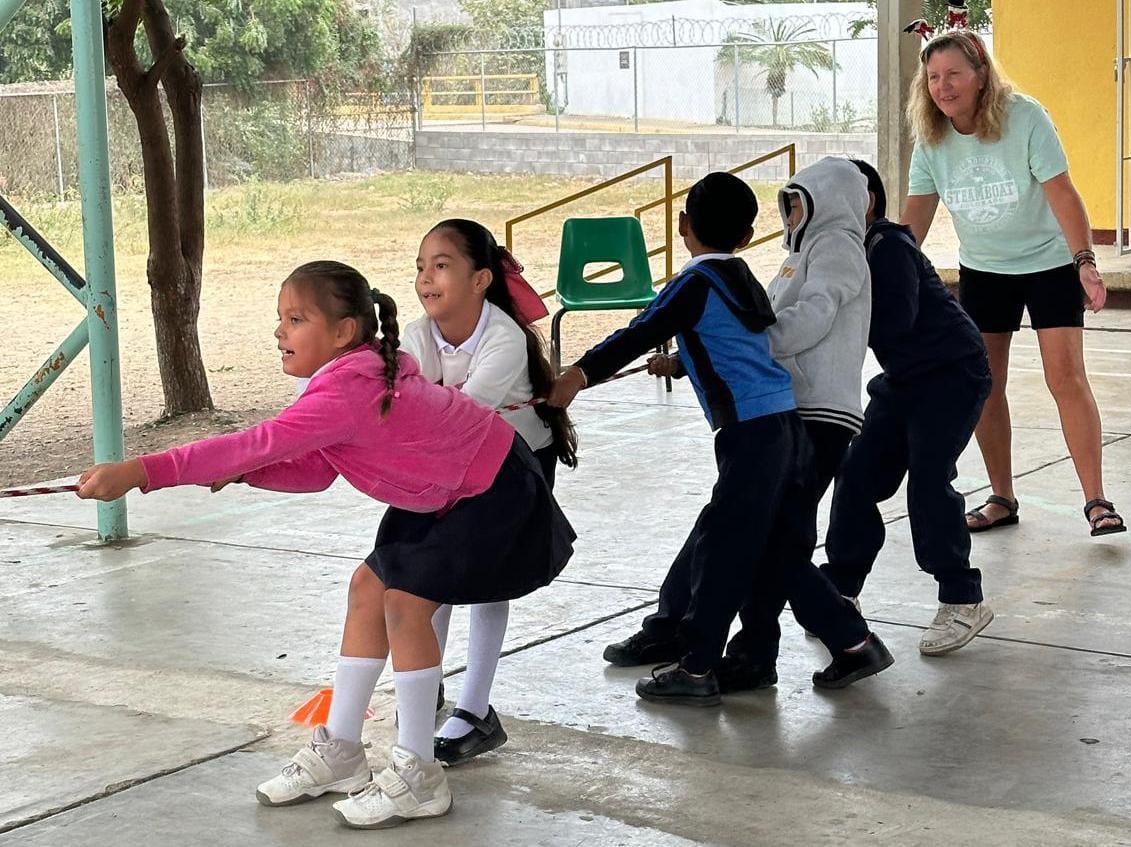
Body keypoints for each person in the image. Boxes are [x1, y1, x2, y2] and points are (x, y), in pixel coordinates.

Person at [76, 260, 575, 829]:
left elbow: (257, 441)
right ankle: (341, 750)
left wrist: (143, 470)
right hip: (445, 489)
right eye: (280, 319)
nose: (280, 331)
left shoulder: (345, 389)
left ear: (342, 333)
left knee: (405, 603)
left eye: (296, 319)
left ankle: (418, 774)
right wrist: (249, 472)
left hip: (491, 489)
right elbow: (315, 471)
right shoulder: (344, 381)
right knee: (369, 587)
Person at [551, 172, 893, 706]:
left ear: (684, 225)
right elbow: (739, 341)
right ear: (750, 230)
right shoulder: (744, 277)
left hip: (753, 435)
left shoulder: (696, 282)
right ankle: (851, 642)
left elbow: (642, 327)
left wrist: (579, 373)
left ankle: (696, 667)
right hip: (783, 427)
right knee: (770, 549)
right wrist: (684, 360)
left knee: (724, 549)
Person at [630, 156, 874, 690]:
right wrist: (698, 356)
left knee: (756, 539)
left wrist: (749, 347)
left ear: (826, 201)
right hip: (787, 407)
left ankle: (830, 642)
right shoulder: (799, 254)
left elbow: (813, 314)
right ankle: (757, 650)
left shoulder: (836, 246)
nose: (790, 214)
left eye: (799, 202)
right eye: (787, 204)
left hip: (816, 412)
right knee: (759, 539)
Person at [901, 29, 1126, 538]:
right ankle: (1002, 496)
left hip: (1048, 265)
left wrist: (1084, 261)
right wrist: (886, 274)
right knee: (985, 385)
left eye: (954, 73)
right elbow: (914, 219)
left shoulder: (1024, 116)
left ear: (980, 75)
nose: (943, 86)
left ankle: (1097, 501)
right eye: (933, 77)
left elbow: (1064, 194)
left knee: (1064, 377)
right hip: (984, 271)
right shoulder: (931, 138)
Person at [400, 218, 577, 766]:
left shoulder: (501, 336)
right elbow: (418, 410)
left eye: (442, 265)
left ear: (480, 280)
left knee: (482, 581)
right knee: (430, 577)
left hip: (513, 466)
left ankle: (476, 711)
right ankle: (423, 683)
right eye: (421, 267)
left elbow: (458, 415)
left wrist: (413, 413)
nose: (427, 278)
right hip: (447, 464)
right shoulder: (415, 334)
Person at [821, 160, 995, 656]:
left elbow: (895, 321)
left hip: (952, 373)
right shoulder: (838, 252)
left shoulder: (888, 245)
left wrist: (835, 319)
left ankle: (963, 598)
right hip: (904, 377)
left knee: (927, 476)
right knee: (856, 475)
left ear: (864, 201)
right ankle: (840, 588)